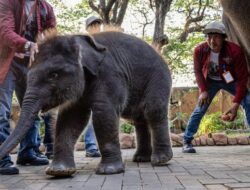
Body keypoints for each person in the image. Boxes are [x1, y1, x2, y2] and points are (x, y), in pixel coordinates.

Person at [0, 0, 56, 175]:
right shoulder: (7, 2)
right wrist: (27, 44)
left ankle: (28, 152)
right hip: (7, 61)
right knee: (2, 110)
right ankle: (2, 158)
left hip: (31, 64)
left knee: (32, 108)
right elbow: (5, 31)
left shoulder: (46, 8)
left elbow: (51, 35)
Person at [182, 21, 250, 153]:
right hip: (210, 83)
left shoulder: (235, 51)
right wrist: (203, 91)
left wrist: (236, 104)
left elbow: (243, 79)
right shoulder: (199, 50)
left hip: (231, 81)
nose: (212, 41)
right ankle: (187, 141)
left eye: (216, 37)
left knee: (248, 101)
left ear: (224, 38)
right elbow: (197, 71)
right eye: (209, 37)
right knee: (200, 108)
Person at [83, 16, 103, 157]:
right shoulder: (84, 41)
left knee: (98, 115)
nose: (96, 26)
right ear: (88, 27)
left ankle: (95, 146)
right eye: (93, 24)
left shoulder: (103, 40)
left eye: (98, 24)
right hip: (86, 84)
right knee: (89, 116)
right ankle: (90, 146)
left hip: (101, 85)